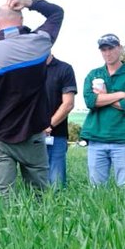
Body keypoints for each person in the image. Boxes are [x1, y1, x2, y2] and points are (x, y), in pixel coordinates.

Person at [0, 0, 65, 195]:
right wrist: (29, 2)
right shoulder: (40, 42)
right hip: (34, 134)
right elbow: (56, 13)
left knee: (6, 197)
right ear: (21, 19)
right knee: (39, 196)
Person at [81, 33, 125, 186]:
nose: (107, 53)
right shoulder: (94, 74)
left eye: (111, 48)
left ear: (120, 48)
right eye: (104, 49)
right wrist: (121, 95)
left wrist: (104, 98)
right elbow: (90, 101)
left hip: (124, 139)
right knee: (96, 189)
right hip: (96, 138)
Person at [44, 53, 77, 187]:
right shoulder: (28, 70)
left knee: (56, 185)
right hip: (31, 137)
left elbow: (68, 103)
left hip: (56, 136)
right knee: (33, 188)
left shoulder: (64, 69)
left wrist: (48, 125)